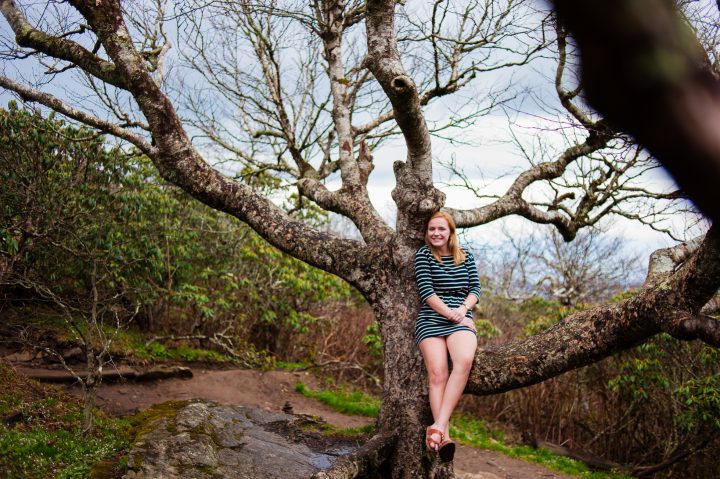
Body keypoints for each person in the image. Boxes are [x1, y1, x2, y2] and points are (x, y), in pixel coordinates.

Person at [415, 211, 480, 462]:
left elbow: (475, 289)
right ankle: (445, 436)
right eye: (432, 229)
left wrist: (463, 311)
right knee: (438, 373)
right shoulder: (424, 256)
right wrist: (451, 314)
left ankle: (438, 428)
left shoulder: (465, 255)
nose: (436, 234)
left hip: (461, 317)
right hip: (431, 318)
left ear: (451, 232)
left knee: (463, 361)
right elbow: (427, 293)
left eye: (441, 229)